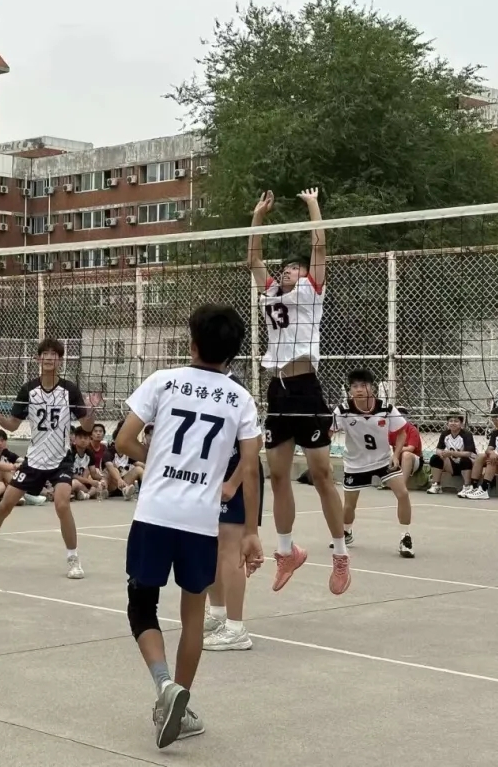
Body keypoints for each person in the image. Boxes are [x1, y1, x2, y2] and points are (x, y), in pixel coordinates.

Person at [115, 303, 263, 749]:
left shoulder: (163, 380)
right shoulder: (241, 398)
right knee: (193, 615)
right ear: (233, 354)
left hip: (156, 513)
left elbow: (124, 439)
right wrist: (250, 530)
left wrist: (157, 459)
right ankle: (179, 704)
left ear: (192, 343)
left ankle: (164, 686)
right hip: (201, 521)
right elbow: (251, 466)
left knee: (141, 606)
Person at [248, 187, 350, 594]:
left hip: (307, 389)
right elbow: (253, 259)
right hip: (278, 391)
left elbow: (319, 246)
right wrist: (258, 216)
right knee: (277, 475)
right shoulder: (272, 293)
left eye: (295, 268)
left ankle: (340, 554)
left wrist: (312, 204)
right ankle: (286, 551)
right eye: (286, 269)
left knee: (322, 474)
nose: (289, 271)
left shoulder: (311, 292)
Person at [0, 339, 96, 578]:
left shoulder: (69, 390)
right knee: (5, 505)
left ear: (60, 360)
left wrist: (91, 410)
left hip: (60, 459)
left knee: (62, 504)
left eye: (54, 354)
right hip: (34, 459)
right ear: (38, 358)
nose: (49, 357)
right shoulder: (28, 389)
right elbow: (13, 425)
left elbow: (87, 426)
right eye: (45, 354)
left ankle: (73, 559)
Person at [204, 374, 266, 652]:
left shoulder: (234, 388)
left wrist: (233, 482)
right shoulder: (202, 383)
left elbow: (256, 443)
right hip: (215, 475)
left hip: (236, 475)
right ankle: (218, 614)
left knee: (231, 549)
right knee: (213, 548)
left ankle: (236, 627)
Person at [332, 369, 415, 558]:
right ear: (350, 390)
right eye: (354, 386)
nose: (359, 389)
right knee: (349, 506)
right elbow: (329, 433)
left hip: (383, 460)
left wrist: (396, 455)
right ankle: (347, 531)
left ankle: (405, 537)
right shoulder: (342, 411)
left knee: (403, 494)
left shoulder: (386, 408)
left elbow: (402, 432)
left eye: (363, 385)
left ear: (372, 388)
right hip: (355, 464)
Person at [426, 413, 477, 496]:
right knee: (436, 458)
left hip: (467, 465)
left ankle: (467, 487)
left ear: (461, 424)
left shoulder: (467, 434)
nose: (453, 423)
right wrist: (442, 454)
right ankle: (436, 485)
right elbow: (438, 449)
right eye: (451, 421)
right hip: (452, 464)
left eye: (456, 421)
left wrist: (451, 453)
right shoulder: (445, 434)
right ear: (447, 423)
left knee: (465, 459)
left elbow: (469, 453)